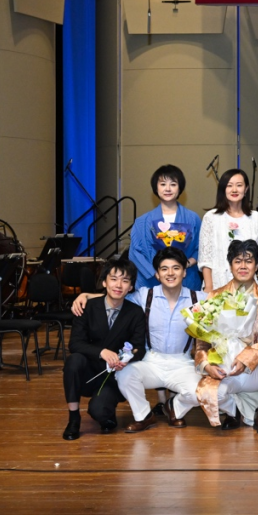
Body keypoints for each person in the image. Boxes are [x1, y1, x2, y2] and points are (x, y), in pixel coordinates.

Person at [70, 248, 202, 433]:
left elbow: (222, 299)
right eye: (164, 269)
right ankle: (144, 416)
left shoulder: (199, 298)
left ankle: (173, 406)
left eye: (176, 268)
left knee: (200, 394)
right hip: (152, 360)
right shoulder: (145, 295)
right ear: (157, 274)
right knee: (125, 374)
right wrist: (85, 295)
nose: (170, 273)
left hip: (182, 361)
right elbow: (116, 295)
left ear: (184, 272)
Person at [187, 240, 258, 434]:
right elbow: (201, 344)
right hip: (226, 371)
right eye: (238, 261)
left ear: (256, 266)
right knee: (208, 395)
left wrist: (245, 358)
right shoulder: (214, 297)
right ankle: (233, 411)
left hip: (254, 371)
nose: (243, 266)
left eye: (248, 261)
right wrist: (207, 366)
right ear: (230, 265)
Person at [62, 257, 147, 440]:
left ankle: (105, 412)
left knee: (100, 412)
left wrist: (125, 359)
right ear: (104, 282)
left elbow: (139, 348)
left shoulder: (135, 312)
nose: (119, 285)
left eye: (125, 281)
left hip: (113, 376)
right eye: (113, 279)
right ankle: (73, 418)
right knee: (73, 360)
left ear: (131, 287)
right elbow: (75, 343)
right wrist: (101, 352)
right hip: (88, 371)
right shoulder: (87, 307)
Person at [129, 165, 203, 290]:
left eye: (173, 184)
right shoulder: (142, 222)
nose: (168, 189)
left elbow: (201, 248)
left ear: (180, 188)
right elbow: (135, 253)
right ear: (156, 187)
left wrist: (187, 263)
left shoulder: (193, 218)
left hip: (186, 280)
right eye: (163, 184)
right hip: (152, 282)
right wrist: (155, 273)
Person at [199, 168, 258, 293]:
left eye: (239, 185)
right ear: (223, 189)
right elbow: (205, 258)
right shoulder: (211, 217)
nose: (234, 190)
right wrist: (209, 287)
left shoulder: (256, 218)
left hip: (248, 286)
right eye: (229, 186)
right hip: (217, 284)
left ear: (246, 189)